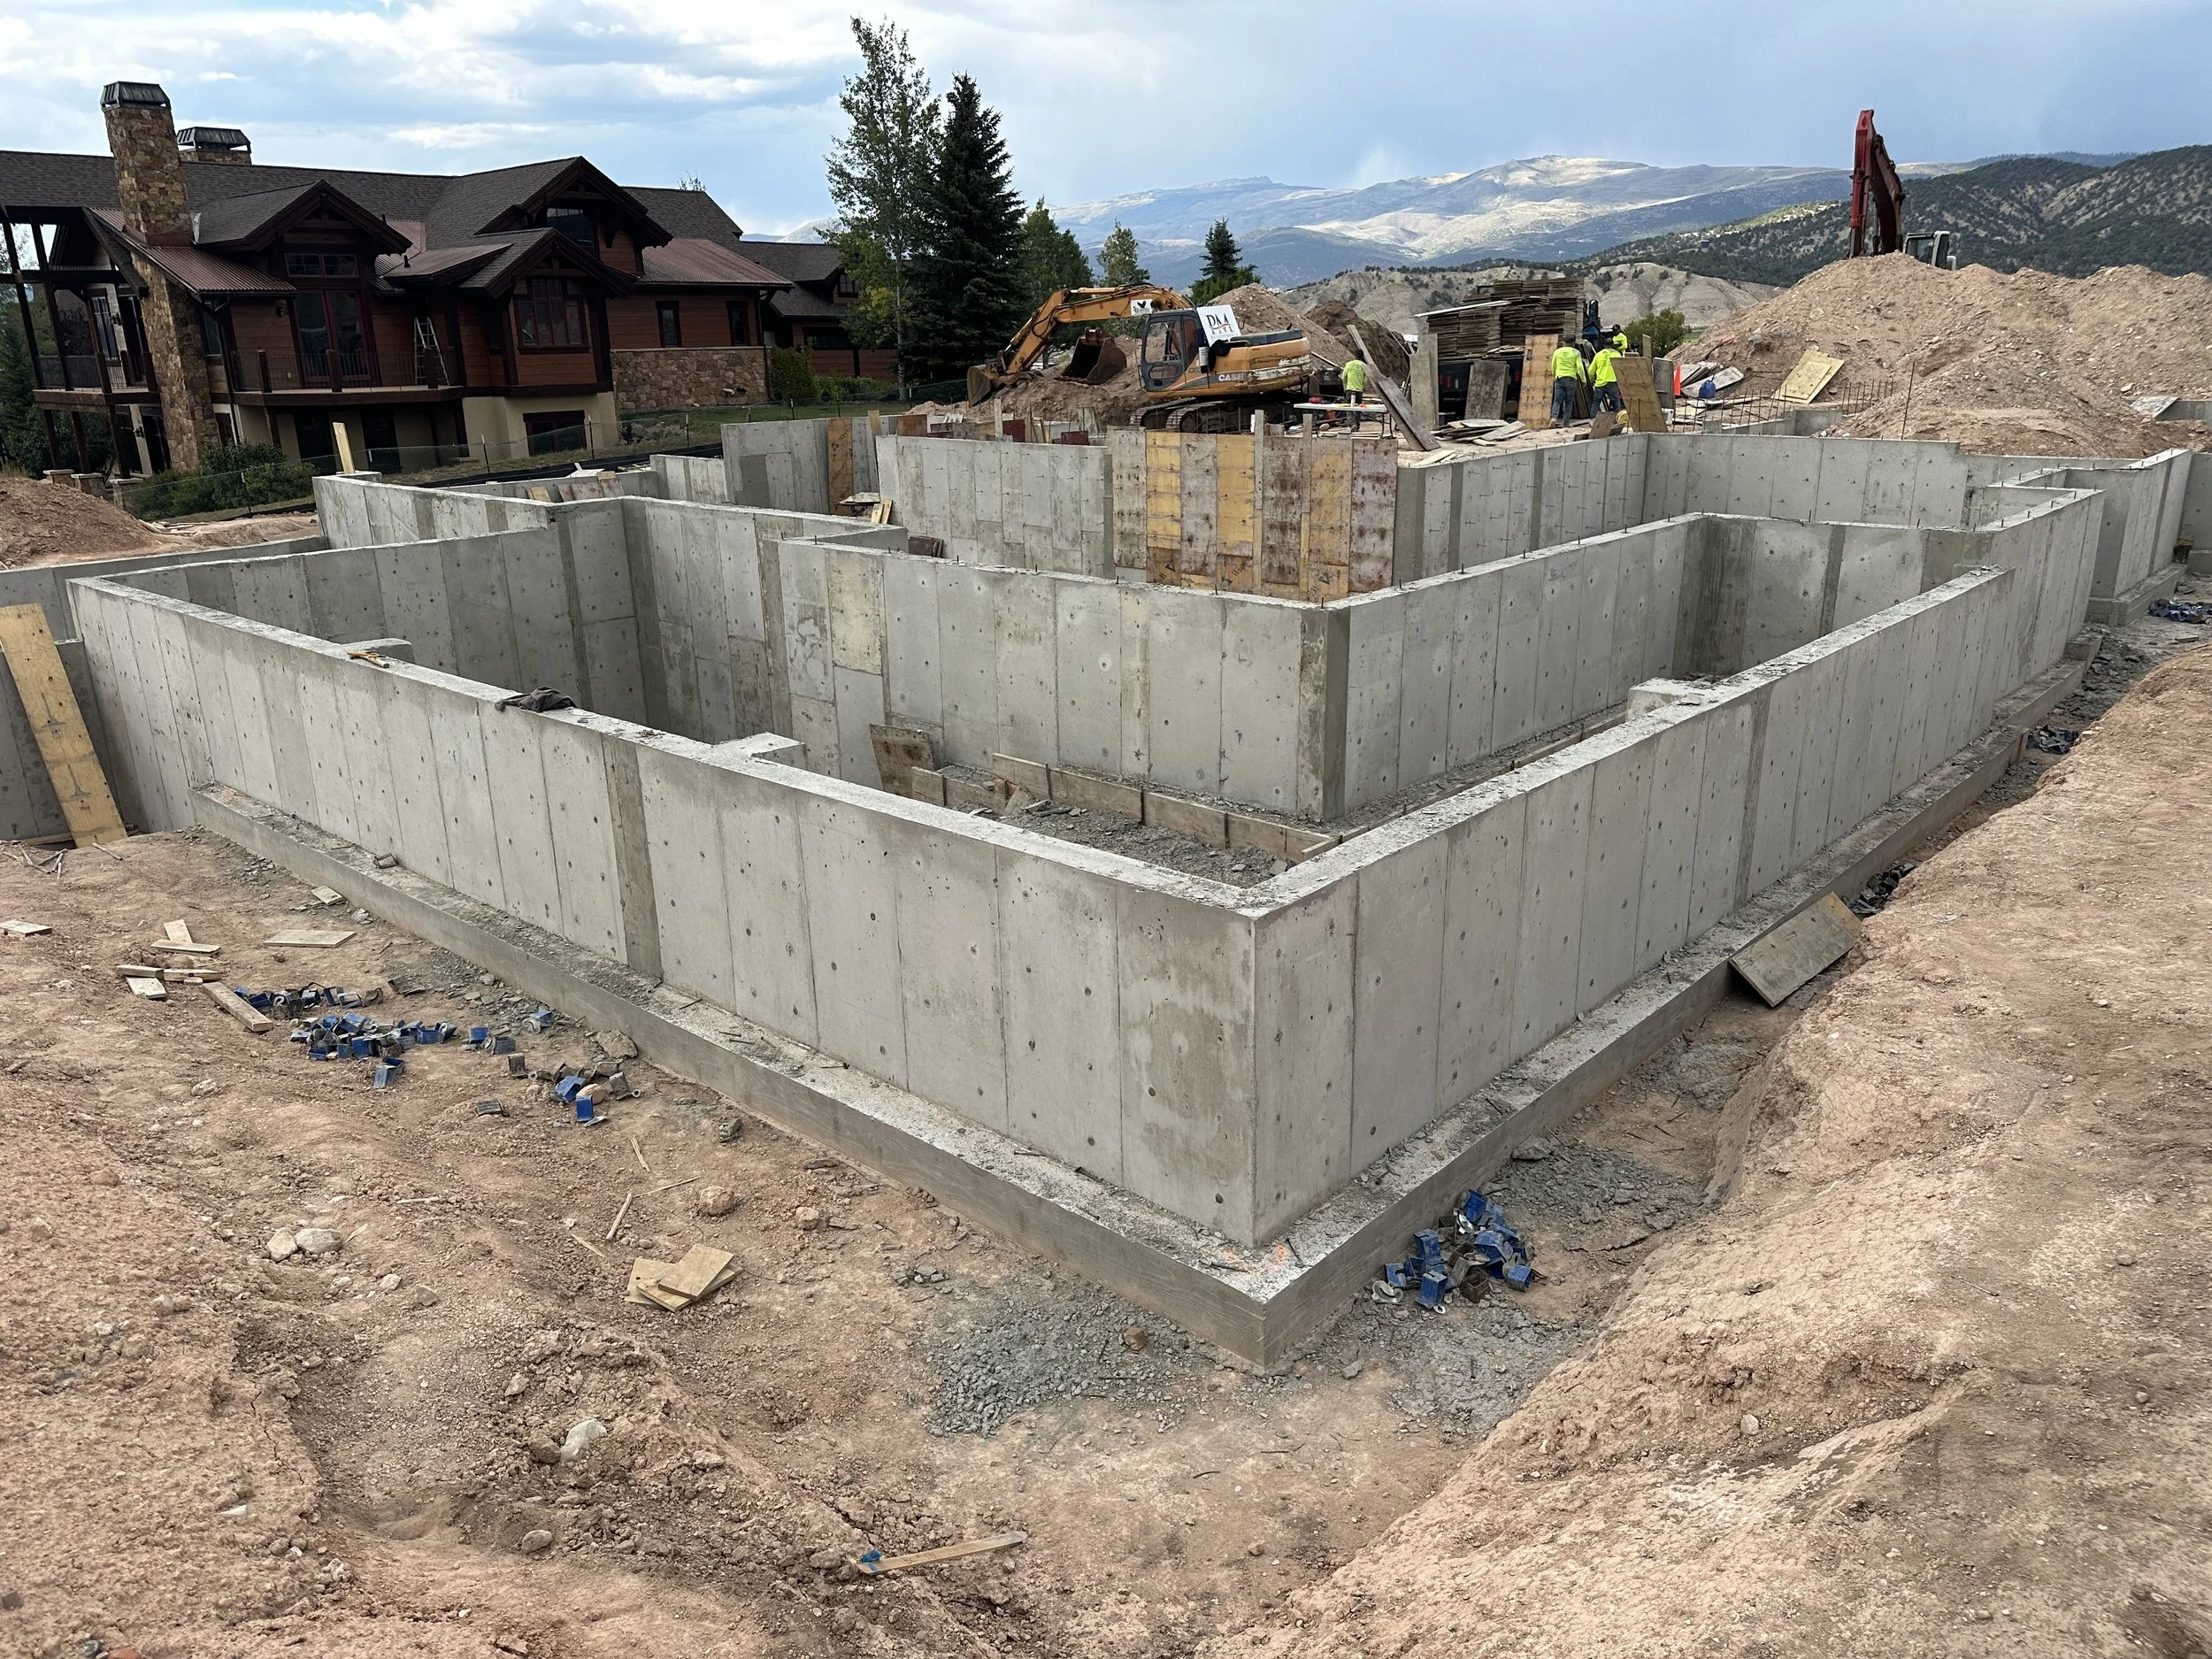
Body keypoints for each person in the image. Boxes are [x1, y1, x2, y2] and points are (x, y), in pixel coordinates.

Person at [1549, 340, 1586, 425]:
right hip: (1571, 379)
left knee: (1557, 400)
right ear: (1573, 343)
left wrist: (1555, 376)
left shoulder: (1557, 352)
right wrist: (1583, 379)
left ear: (1564, 343)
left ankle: (1554, 418)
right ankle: (1566, 422)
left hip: (1559, 378)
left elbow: (1553, 366)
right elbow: (1580, 367)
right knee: (1569, 401)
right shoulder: (1576, 352)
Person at [1590, 339, 1624, 414]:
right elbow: (1621, 369)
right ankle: (1618, 419)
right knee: (1615, 402)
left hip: (1600, 382)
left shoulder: (1598, 355)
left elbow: (1591, 370)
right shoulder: (1617, 354)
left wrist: (1591, 380)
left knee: (1596, 402)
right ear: (1612, 345)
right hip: (1613, 381)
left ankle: (1593, 419)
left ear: (1604, 345)